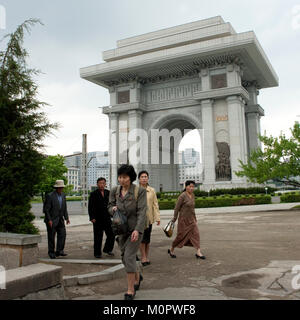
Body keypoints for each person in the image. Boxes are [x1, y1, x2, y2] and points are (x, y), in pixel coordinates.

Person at [108, 164, 147, 300]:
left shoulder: (139, 192)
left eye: (124, 177)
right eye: (120, 177)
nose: (121, 180)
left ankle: (131, 290)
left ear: (131, 178)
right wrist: (112, 209)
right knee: (124, 258)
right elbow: (109, 206)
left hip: (135, 230)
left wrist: (137, 229)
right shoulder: (114, 191)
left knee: (129, 257)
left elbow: (142, 212)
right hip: (120, 230)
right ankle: (137, 275)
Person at [168, 180, 206, 260]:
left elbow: (192, 209)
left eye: (193, 187)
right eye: (190, 186)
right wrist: (174, 218)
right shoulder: (182, 196)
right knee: (180, 237)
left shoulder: (192, 195)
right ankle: (171, 249)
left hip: (192, 220)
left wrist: (195, 219)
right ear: (186, 186)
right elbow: (176, 208)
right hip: (183, 221)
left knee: (196, 235)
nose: (192, 188)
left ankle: (198, 252)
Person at [88, 177, 115, 258]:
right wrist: (92, 217)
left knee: (111, 234)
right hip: (97, 219)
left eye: (103, 183)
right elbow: (90, 207)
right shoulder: (93, 194)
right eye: (100, 183)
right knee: (98, 237)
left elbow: (112, 204)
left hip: (107, 218)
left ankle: (107, 249)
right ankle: (97, 253)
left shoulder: (108, 193)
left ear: (105, 184)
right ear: (97, 184)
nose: (102, 185)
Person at [43, 180, 70, 259]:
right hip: (52, 220)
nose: (61, 189)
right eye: (59, 187)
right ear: (56, 188)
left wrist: (67, 218)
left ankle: (59, 251)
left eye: (62, 187)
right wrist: (49, 220)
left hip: (60, 219)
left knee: (62, 234)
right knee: (51, 236)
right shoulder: (50, 196)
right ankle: (51, 252)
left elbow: (64, 208)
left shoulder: (63, 195)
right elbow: (46, 209)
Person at [138, 170, 160, 266]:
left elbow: (155, 205)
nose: (144, 178)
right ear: (139, 179)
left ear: (148, 178)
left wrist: (157, 218)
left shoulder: (152, 190)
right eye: (142, 177)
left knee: (147, 240)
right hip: (139, 219)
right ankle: (143, 257)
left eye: (145, 176)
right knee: (142, 239)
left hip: (149, 218)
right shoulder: (135, 190)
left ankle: (146, 256)